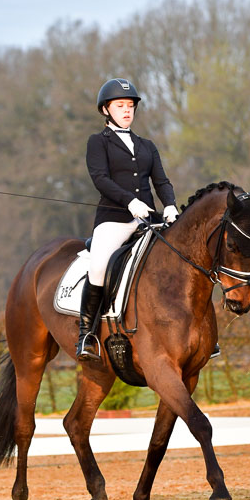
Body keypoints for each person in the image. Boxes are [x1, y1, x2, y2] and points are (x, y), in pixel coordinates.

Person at [76, 78, 179, 360]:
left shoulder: (147, 145)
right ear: (106, 110)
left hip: (148, 219)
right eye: (120, 105)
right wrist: (129, 201)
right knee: (99, 267)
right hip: (115, 218)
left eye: (130, 106)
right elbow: (100, 178)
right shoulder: (98, 142)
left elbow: (161, 181)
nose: (126, 110)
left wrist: (170, 205)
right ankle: (86, 335)